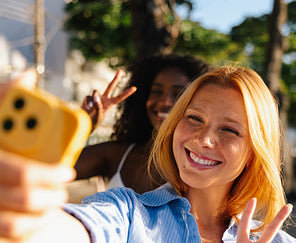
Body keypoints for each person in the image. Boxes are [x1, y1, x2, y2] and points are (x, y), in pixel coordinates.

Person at [0, 66, 296, 243]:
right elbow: (77, 237)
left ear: (255, 152)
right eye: (193, 118)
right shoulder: (126, 215)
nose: (204, 139)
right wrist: (28, 225)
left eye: (229, 130)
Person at [76, 54, 211, 193]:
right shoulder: (118, 155)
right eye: (157, 91)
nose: (164, 102)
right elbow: (55, 164)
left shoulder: (207, 167)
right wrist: (83, 125)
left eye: (179, 94)